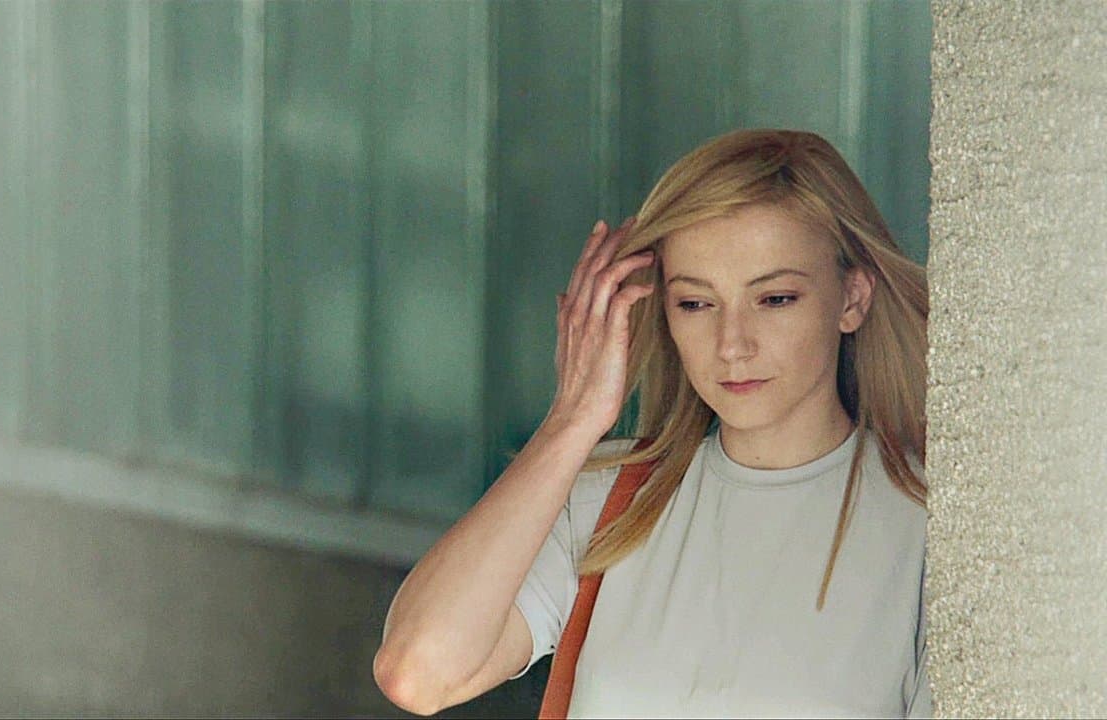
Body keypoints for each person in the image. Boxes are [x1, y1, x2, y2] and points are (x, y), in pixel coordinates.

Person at [373, 129, 930, 718]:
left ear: (852, 299)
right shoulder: (611, 499)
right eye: (695, 303)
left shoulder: (927, 526)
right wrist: (571, 420)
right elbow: (416, 672)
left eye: (775, 299)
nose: (732, 344)